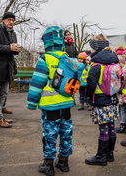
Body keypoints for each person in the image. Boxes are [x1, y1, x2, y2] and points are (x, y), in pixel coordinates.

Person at [27, 26, 74, 175]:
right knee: (66, 132)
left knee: (50, 134)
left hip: (50, 107)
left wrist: (32, 102)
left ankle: (48, 165)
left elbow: (37, 83)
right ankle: (63, 162)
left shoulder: (45, 59)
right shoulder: (68, 58)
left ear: (46, 42)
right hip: (66, 104)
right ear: (61, 41)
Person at [85, 34, 119, 166]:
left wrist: (88, 96)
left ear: (96, 48)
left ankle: (101, 156)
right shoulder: (113, 61)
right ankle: (110, 154)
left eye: (91, 47)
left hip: (101, 100)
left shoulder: (96, 64)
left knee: (103, 127)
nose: (91, 50)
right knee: (111, 126)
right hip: (113, 98)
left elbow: (91, 84)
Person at [115, 47, 126, 134]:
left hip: (123, 93)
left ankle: (123, 125)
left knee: (124, 109)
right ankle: (123, 124)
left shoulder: (123, 71)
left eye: (121, 63)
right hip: (123, 93)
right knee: (123, 109)